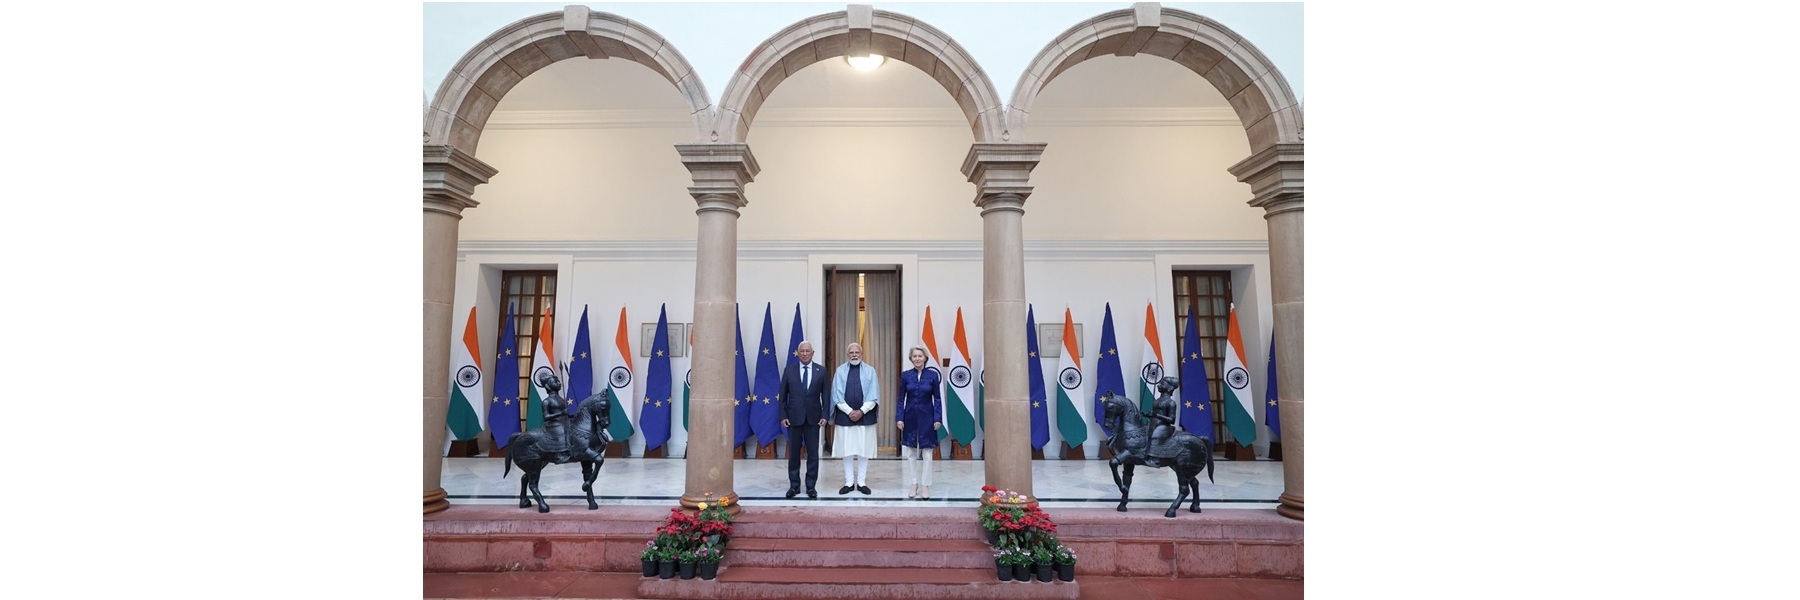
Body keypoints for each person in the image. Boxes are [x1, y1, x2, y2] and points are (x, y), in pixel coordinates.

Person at [777, 340, 828, 499]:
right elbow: (782, 396)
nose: (805, 353)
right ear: (798, 353)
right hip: (793, 419)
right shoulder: (789, 370)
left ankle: (811, 486)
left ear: (813, 353)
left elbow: (826, 395)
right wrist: (783, 416)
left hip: (814, 419)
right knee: (793, 454)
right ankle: (794, 486)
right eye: (802, 351)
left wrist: (825, 415)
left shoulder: (821, 371)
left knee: (813, 454)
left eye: (808, 351)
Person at [830, 342, 879, 495]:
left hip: (866, 416)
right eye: (851, 352)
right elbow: (836, 396)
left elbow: (874, 394)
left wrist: (861, 411)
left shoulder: (870, 371)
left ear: (862, 354)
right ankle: (849, 482)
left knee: (864, 450)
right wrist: (851, 411)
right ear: (847, 355)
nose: (854, 355)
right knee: (847, 450)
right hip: (845, 417)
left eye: (857, 352)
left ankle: (862, 482)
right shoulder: (840, 371)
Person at [895, 346, 942, 499]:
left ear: (925, 358)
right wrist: (899, 417)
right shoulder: (906, 376)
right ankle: (914, 483)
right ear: (911, 358)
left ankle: (925, 485)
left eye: (919, 356)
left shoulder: (933, 375)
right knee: (911, 452)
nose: (917, 358)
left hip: (927, 417)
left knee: (927, 453)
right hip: (909, 417)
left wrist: (937, 418)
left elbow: (938, 399)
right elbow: (901, 398)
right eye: (914, 356)